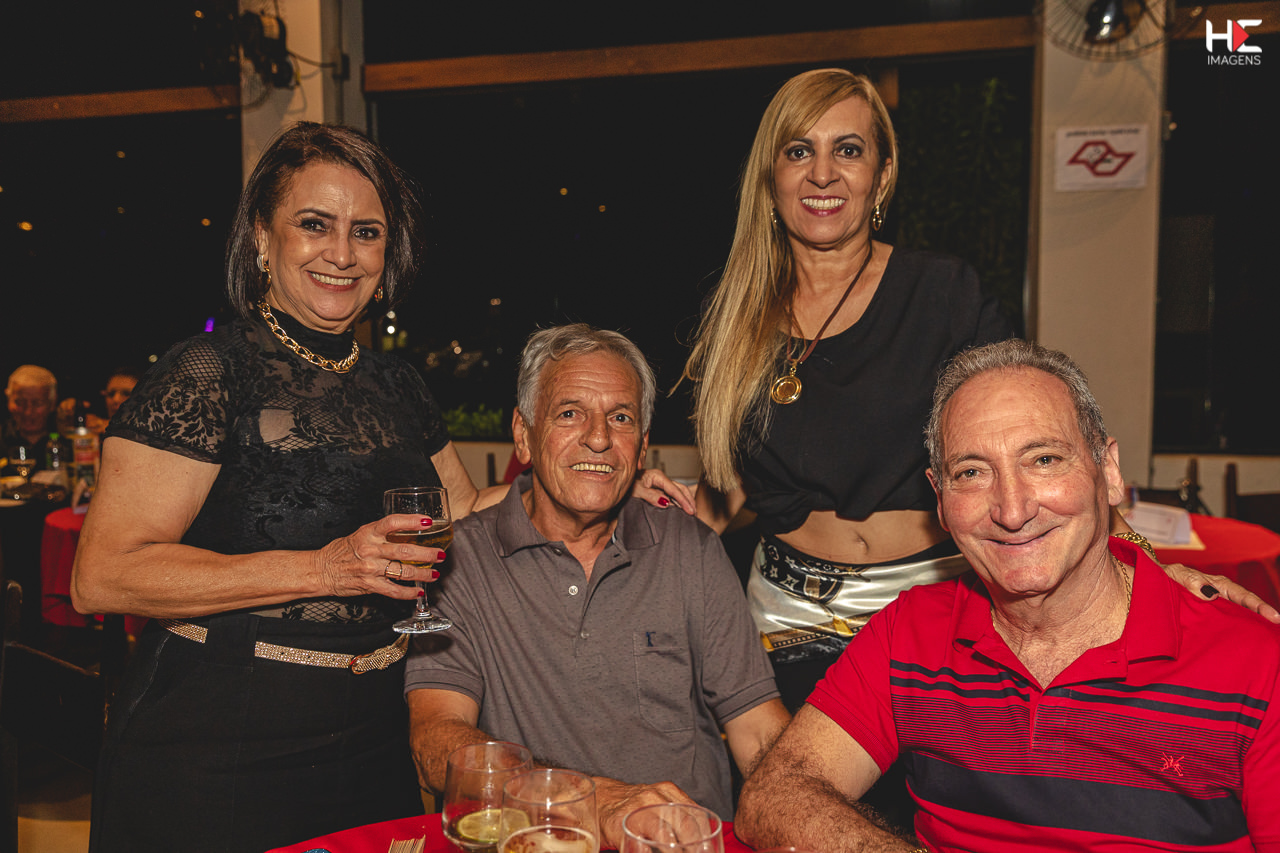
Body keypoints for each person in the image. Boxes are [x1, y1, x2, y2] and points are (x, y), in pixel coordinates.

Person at [682, 67, 1273, 714]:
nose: (823, 173)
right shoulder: (734, 315)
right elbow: (733, 492)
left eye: (847, 149)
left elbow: (1040, 442)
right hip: (781, 615)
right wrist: (649, 503)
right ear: (770, 177)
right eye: (799, 151)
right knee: (785, 778)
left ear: (881, 175)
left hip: (925, 606)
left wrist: (1149, 566)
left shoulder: (941, 292)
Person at [72, 122, 501, 853]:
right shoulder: (209, 371)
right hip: (220, 743)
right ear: (262, 240)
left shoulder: (398, 384)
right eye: (314, 224)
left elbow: (463, 514)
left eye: (366, 232)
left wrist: (595, 480)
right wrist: (325, 569)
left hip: (373, 736)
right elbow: (102, 575)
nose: (342, 253)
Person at [736, 339, 1280, 852]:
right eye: (972, 472)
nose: (1012, 511)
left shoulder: (1256, 663)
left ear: (1109, 471)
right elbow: (774, 797)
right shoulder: (911, 632)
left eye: (1043, 460)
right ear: (940, 501)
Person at [406, 325, 790, 849]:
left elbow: (760, 732)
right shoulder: (462, 561)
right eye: (570, 413)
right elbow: (436, 743)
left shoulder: (689, 547)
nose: (599, 437)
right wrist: (596, 802)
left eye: (621, 417)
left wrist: (802, 810)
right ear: (523, 434)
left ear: (643, 445)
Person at [3, 364, 59, 472]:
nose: (28, 412)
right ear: (8, 401)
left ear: (52, 403)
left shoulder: (66, 443)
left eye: (37, 403)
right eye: (20, 402)